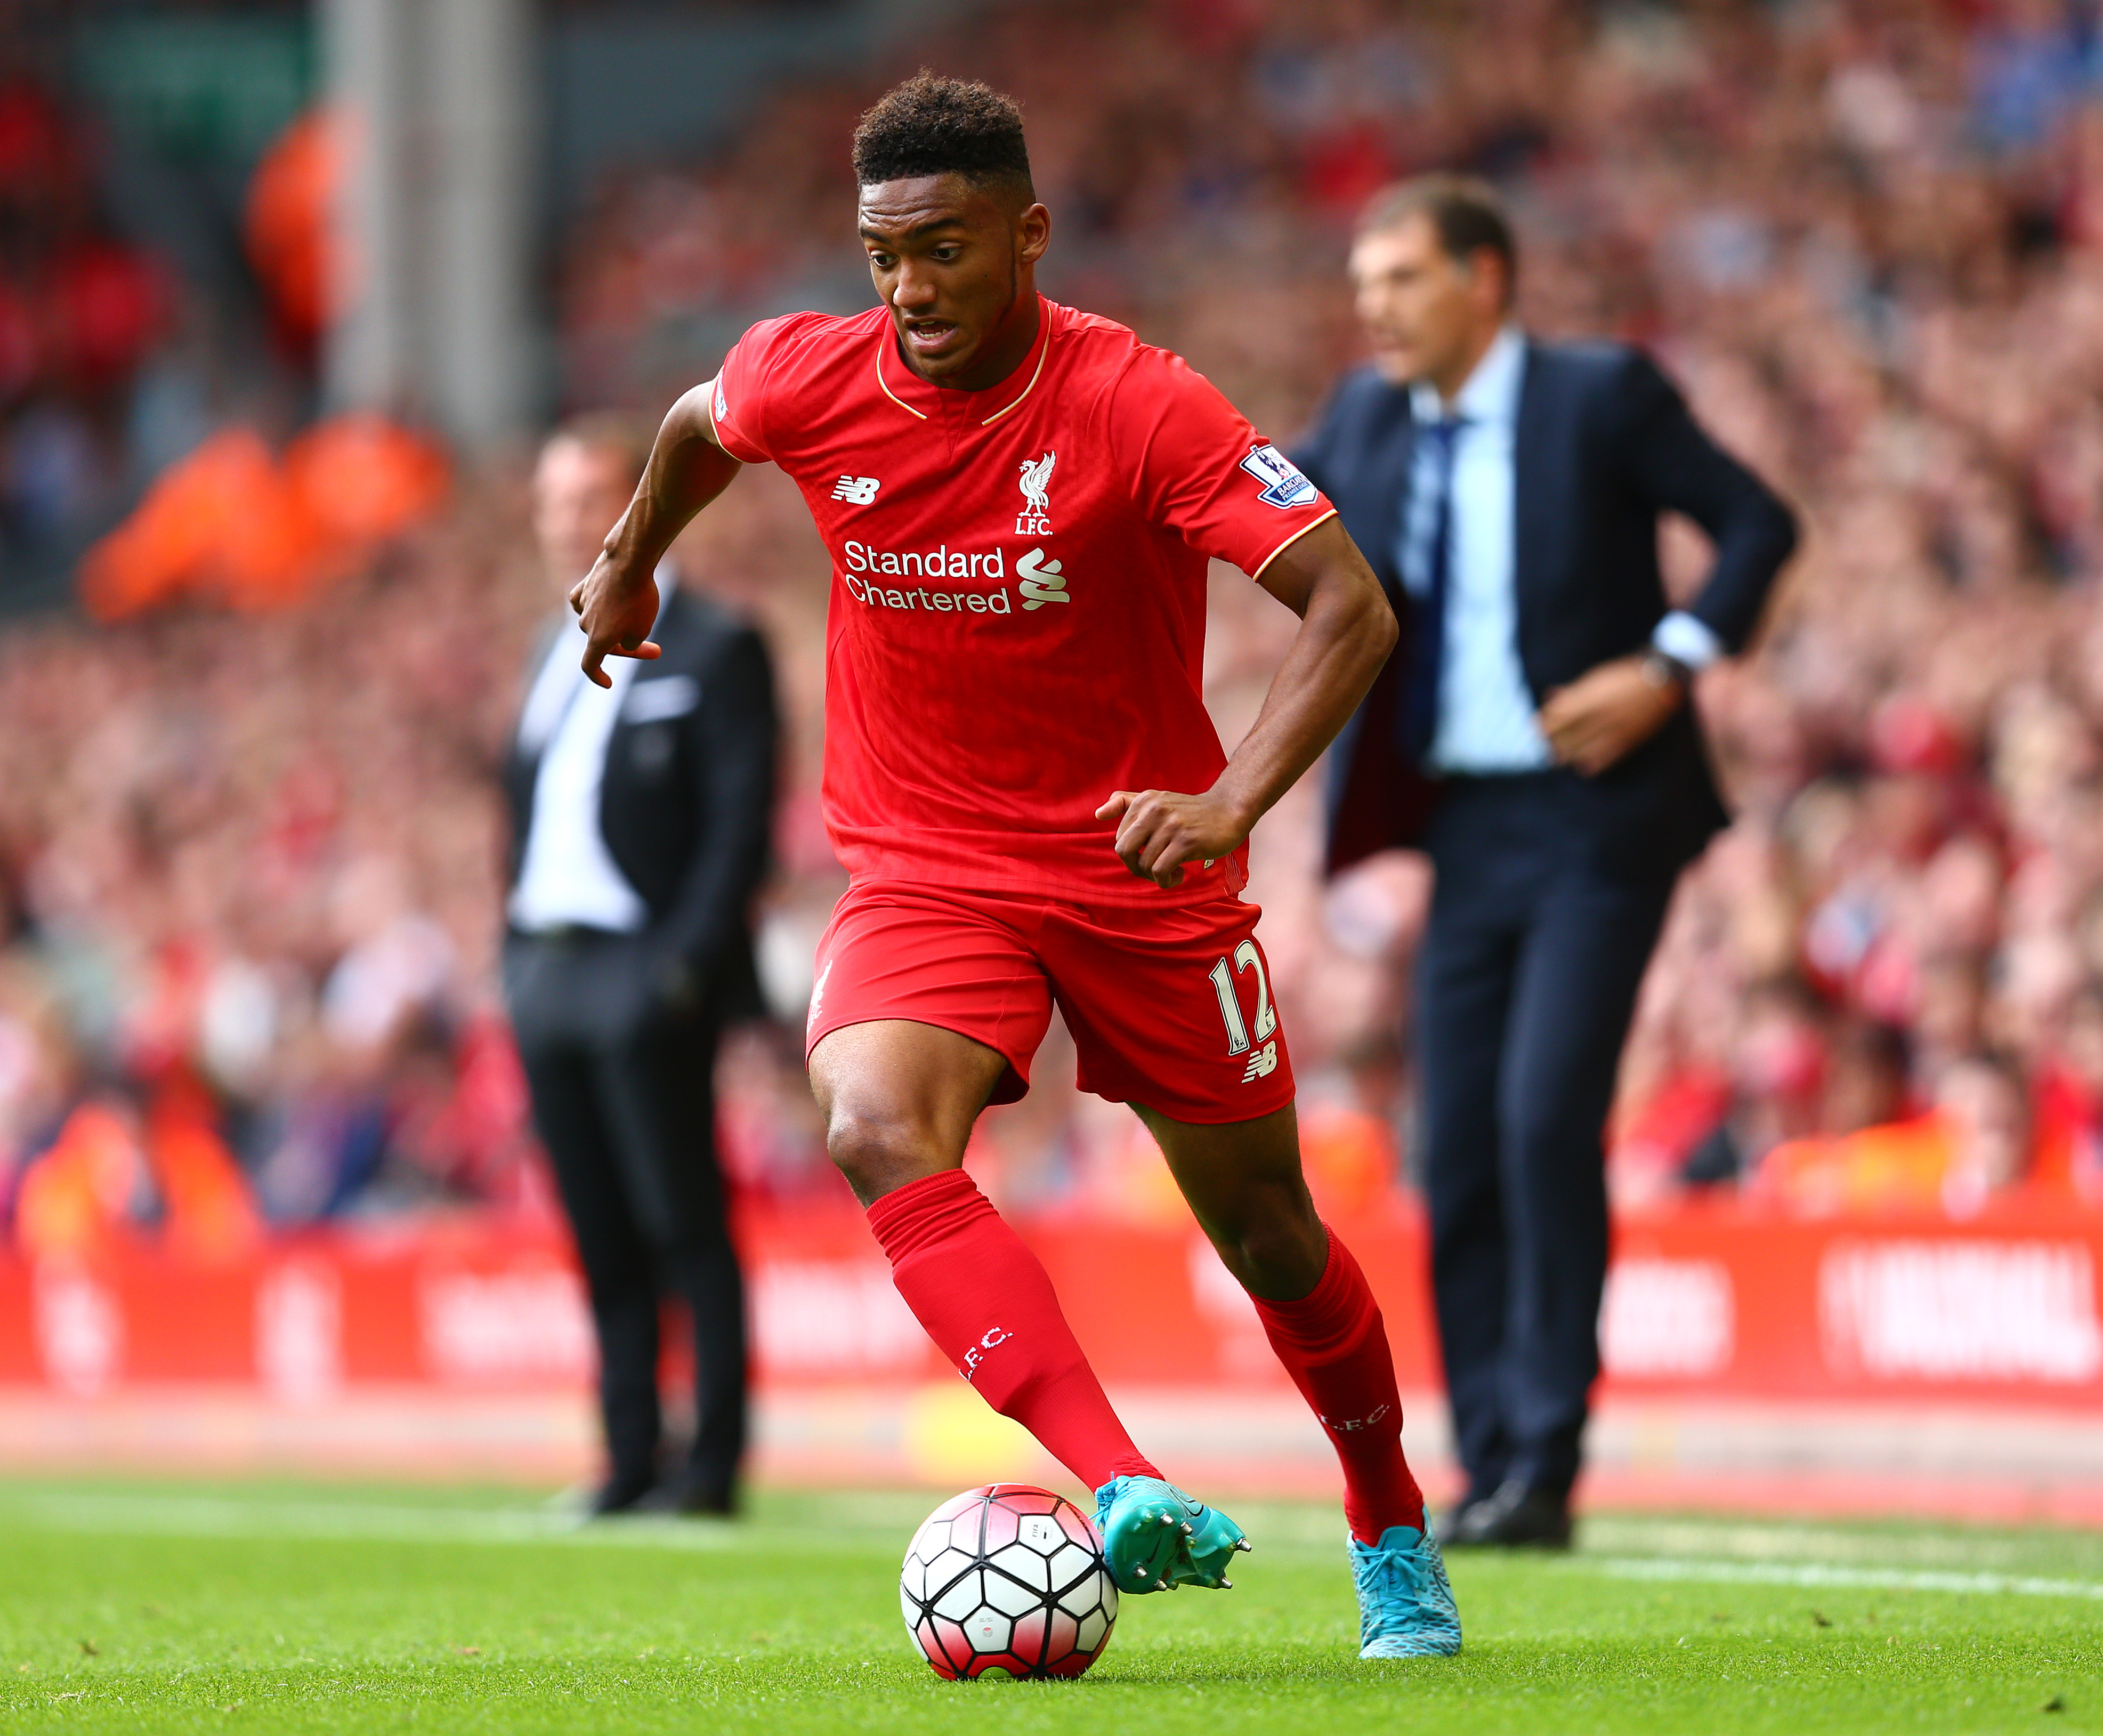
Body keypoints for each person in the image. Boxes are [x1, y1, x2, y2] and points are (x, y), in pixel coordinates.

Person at [568, 75, 1459, 1658]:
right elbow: (703, 422)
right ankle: (1118, 1486)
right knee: (867, 1118)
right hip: (925, 860)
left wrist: (1235, 799)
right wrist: (634, 560)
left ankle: (1388, 1514)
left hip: (1141, 863)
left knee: (1268, 1235)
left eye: (946, 252)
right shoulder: (810, 374)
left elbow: (1349, 604)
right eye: (882, 255)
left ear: (1028, 235)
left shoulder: (1140, 404)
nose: (909, 291)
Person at [1298, 175, 1798, 1549]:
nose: (1374, 309)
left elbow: (1759, 524)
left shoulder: (1601, 396)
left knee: (1539, 1120)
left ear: (1485, 280)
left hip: (1597, 817)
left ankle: (1551, 1459)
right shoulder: (1361, 417)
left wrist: (1667, 666)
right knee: (1454, 1149)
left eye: (1400, 279)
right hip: (1461, 832)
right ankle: (1488, 1462)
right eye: (1363, 285)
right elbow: (1236, 500)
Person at [503, 416, 779, 1516]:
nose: (574, 520)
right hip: (547, 972)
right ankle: (628, 1456)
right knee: (600, 1228)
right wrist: (510, 959)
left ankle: (709, 1466)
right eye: (556, 501)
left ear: (644, 502)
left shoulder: (715, 643)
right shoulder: (543, 649)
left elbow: (738, 825)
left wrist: (680, 970)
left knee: (683, 1220)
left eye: (592, 497)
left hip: (643, 969)